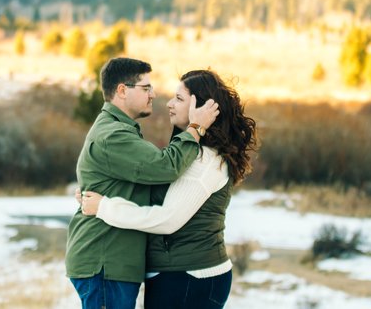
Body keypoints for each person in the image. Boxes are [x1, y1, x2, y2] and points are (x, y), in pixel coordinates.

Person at [80, 68, 257, 309]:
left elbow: (166, 219)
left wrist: (104, 207)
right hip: (179, 275)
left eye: (180, 99)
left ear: (200, 107)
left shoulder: (204, 160)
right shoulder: (190, 151)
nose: (170, 104)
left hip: (190, 278)